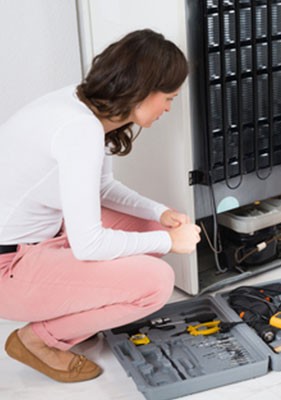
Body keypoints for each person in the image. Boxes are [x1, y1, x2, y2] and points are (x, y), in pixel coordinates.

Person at [0, 29, 201, 383]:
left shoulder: (79, 105)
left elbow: (102, 187)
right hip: (9, 267)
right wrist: (170, 244)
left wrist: (159, 214)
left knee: (156, 229)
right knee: (157, 283)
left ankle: (76, 313)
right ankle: (37, 339)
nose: (169, 108)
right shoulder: (79, 129)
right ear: (142, 90)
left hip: (40, 241)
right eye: (168, 97)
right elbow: (89, 244)